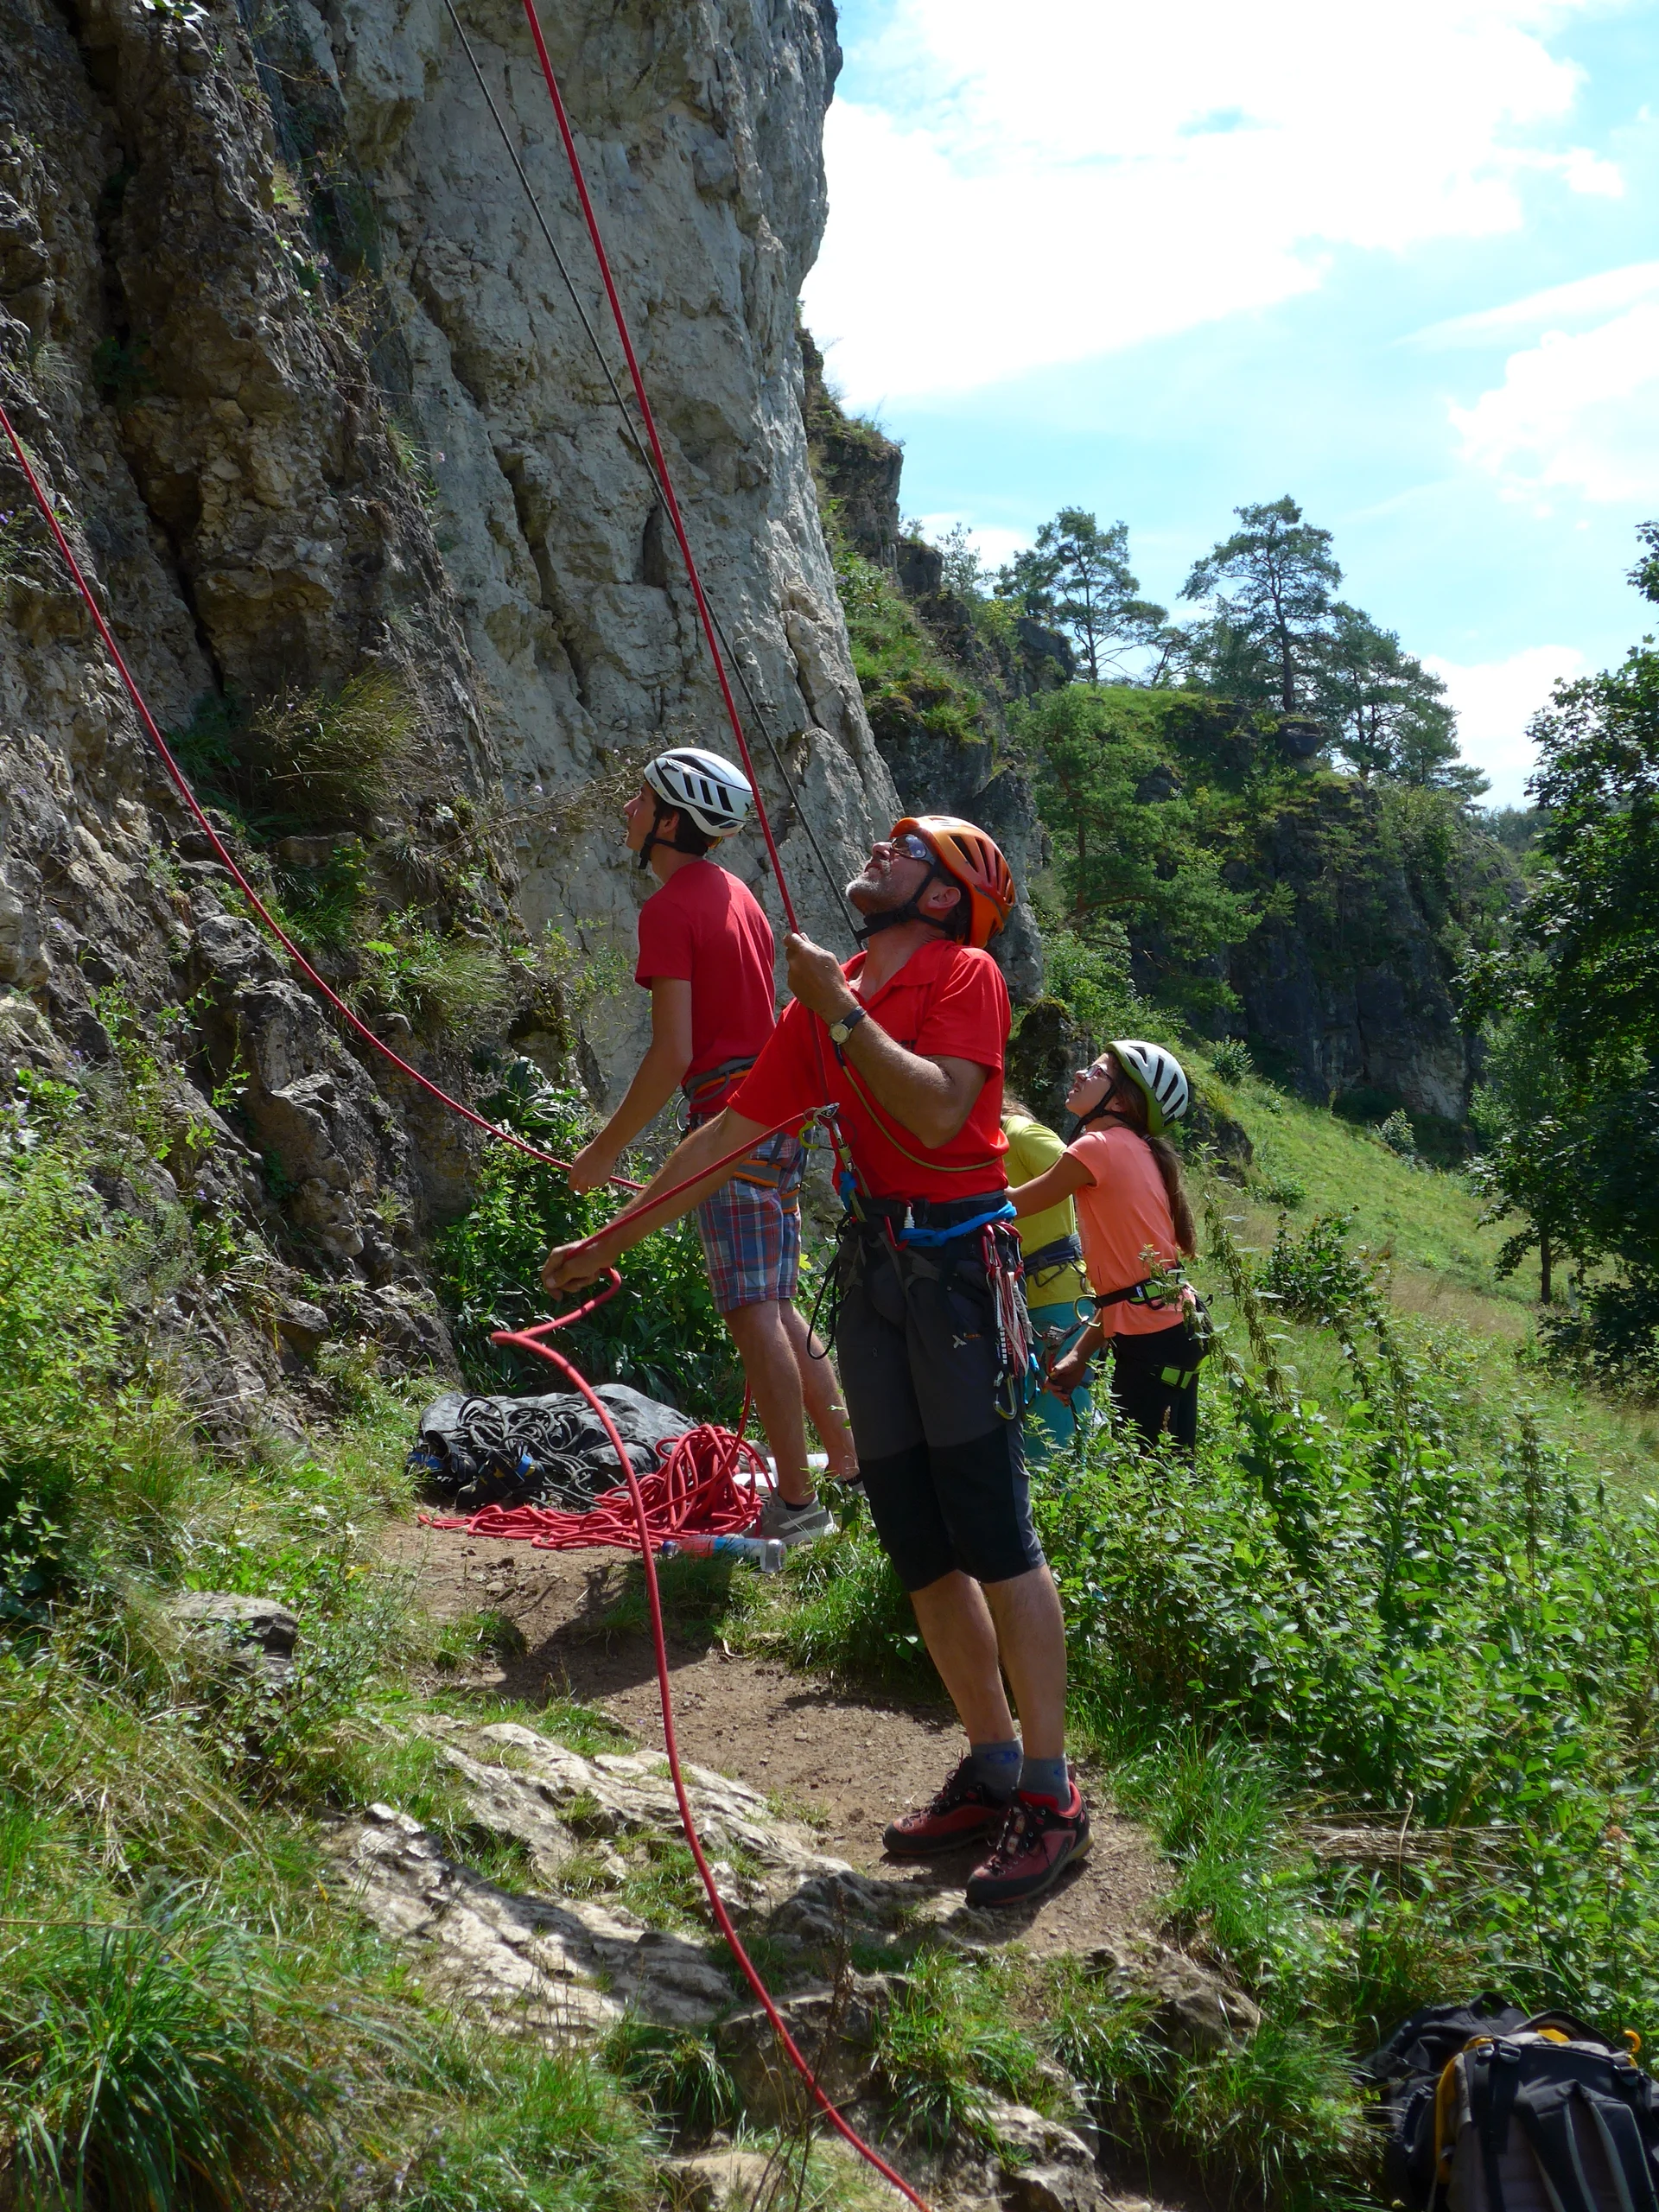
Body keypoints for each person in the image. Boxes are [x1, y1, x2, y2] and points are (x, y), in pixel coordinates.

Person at [543, 816, 1090, 1909]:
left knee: (993, 1532)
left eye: (909, 850)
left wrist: (837, 1012)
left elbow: (940, 1110)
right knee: (919, 1542)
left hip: (955, 1277)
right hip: (883, 1280)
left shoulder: (961, 971)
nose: (882, 849)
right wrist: (615, 1235)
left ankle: (1052, 1793)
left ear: (943, 897)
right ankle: (990, 1766)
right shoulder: (830, 994)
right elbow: (730, 1135)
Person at [565, 746, 855, 1540]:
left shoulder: (668, 911)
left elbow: (674, 1055)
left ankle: (795, 1506)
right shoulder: (739, 897)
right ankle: (850, 1466)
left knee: (753, 1309)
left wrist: (606, 1151)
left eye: (641, 799)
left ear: (669, 821)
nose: (627, 809)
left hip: (731, 1125)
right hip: (778, 1120)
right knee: (779, 1303)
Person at [1007, 1041, 1204, 1452]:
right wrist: (1079, 1356)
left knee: (1143, 1474)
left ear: (1120, 1100)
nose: (1080, 1074)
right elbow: (1127, 1291)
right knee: (1163, 1473)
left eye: (1096, 1072)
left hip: (1153, 1334)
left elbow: (1010, 1205)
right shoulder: (1134, 1149)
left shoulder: (1098, 1148)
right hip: (1172, 1326)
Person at [1001, 1098, 1093, 1452]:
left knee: (1053, 1440)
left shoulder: (1018, 1132)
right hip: (1022, 1304)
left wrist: (1008, 1201)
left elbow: (1078, 1173)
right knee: (1038, 1432)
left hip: (1057, 1300)